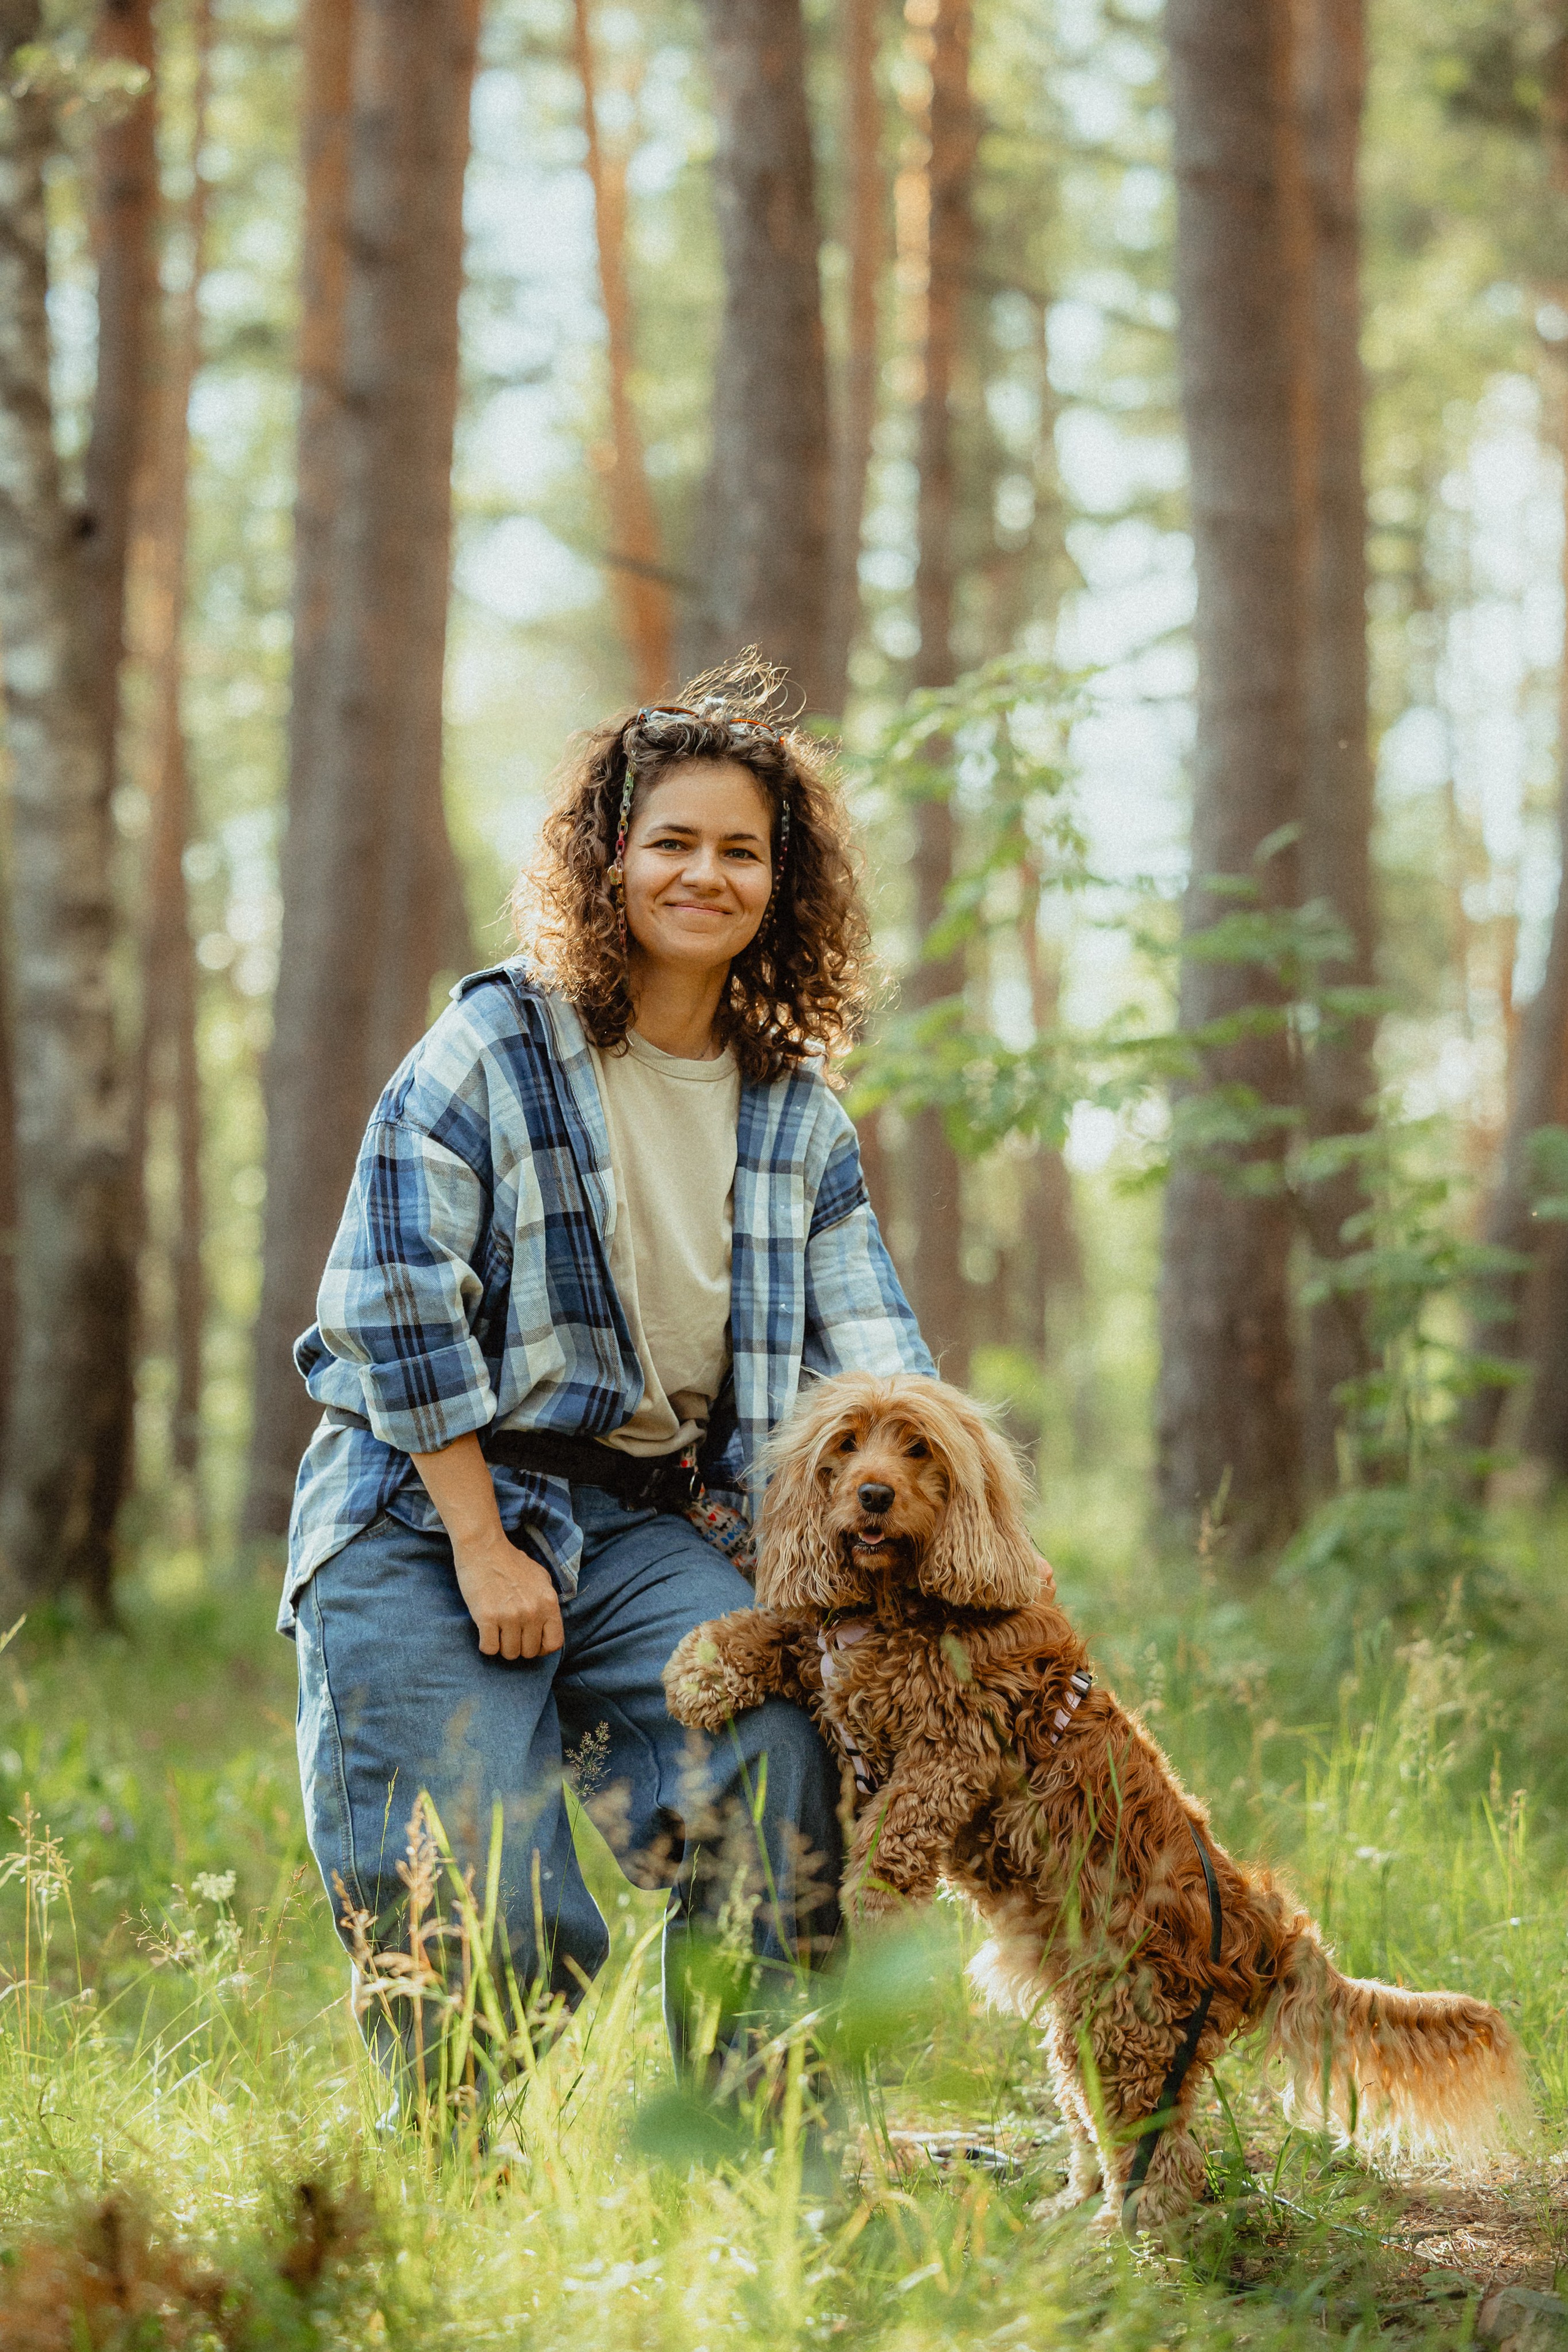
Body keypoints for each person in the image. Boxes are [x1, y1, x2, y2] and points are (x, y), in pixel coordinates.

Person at [282, 662, 935, 2089]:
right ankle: (460, 2216)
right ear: (609, 861)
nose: (706, 874)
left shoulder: (794, 1114)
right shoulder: (496, 1044)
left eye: (742, 852)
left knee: (777, 1762)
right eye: (672, 842)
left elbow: (878, 1364)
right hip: (419, 1505)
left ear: (784, 883)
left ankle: (756, 2178)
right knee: (497, 1918)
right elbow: (387, 1298)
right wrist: (477, 1539)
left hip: (649, 1524)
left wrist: (974, 1582)